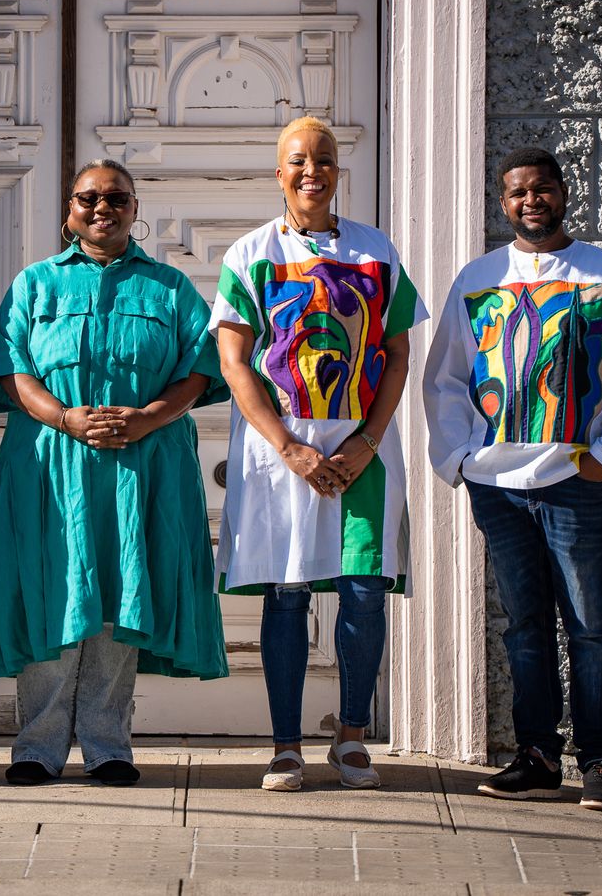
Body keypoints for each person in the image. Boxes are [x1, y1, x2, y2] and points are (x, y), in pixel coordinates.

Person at [422, 146, 602, 813]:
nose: (531, 200)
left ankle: (600, 762)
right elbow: (446, 377)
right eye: (518, 192)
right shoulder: (479, 279)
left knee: (590, 624)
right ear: (503, 203)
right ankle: (536, 757)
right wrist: (461, 459)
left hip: (575, 478)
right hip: (499, 485)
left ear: (562, 192)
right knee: (524, 626)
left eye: (542, 188)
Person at [0, 159, 229, 788]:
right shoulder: (35, 285)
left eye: (116, 198)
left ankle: (108, 745)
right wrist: (64, 417)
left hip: (141, 467)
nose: (102, 208)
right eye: (88, 198)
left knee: (120, 594)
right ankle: (36, 748)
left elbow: (201, 371)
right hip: (50, 468)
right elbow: (10, 369)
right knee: (51, 593)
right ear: (70, 210)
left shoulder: (168, 288)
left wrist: (147, 418)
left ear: (134, 210)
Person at [210, 117, 426, 793]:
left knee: (364, 591)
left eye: (325, 159)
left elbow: (397, 355)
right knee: (287, 593)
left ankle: (352, 736)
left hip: (364, 451)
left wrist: (366, 441)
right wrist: (290, 448)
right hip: (280, 454)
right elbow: (234, 362)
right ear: (279, 173)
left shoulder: (376, 251)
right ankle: (286, 747)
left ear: (338, 170)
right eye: (299, 160)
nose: (313, 171)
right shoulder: (250, 253)